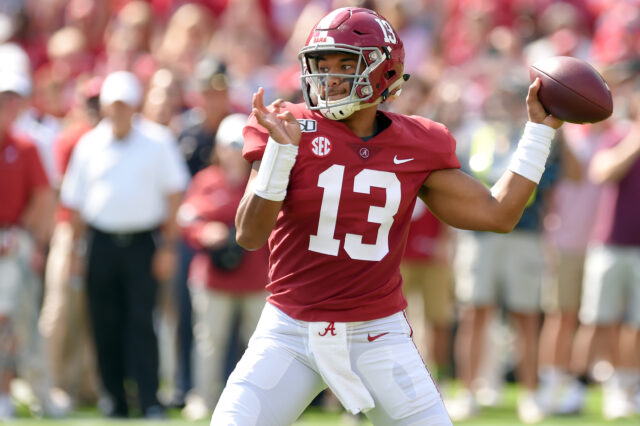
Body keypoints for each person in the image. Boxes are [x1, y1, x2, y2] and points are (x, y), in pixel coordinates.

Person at [212, 7, 562, 425]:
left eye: (345, 63)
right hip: (290, 330)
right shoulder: (290, 127)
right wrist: (278, 156)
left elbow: (500, 213)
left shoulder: (419, 141)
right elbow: (249, 235)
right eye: (321, 64)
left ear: (383, 71)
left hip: (377, 334)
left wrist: (540, 131)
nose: (330, 76)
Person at [59, 71, 190, 419]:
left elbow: (174, 195)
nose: (117, 111)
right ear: (103, 107)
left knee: (141, 321)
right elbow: (75, 204)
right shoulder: (88, 144)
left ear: (133, 106)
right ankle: (114, 398)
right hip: (100, 244)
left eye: (123, 105)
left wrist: (168, 247)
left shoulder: (157, 140)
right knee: (104, 322)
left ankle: (149, 397)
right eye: (112, 105)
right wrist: (74, 251)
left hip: (142, 244)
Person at [178, 113, 270, 421]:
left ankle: (261, 403)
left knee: (259, 347)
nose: (233, 152)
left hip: (256, 278)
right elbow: (187, 218)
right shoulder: (206, 181)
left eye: (238, 145)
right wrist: (203, 232)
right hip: (213, 279)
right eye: (227, 145)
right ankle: (203, 398)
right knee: (209, 343)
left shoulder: (260, 183)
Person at [0, 67, 65, 419]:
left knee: (14, 322)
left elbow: (42, 198)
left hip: (13, 244)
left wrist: (30, 239)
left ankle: (18, 391)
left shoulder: (24, 146)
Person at [577, 83, 640, 420]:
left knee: (636, 325)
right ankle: (607, 385)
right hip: (611, 244)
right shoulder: (619, 136)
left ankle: (629, 386)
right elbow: (602, 172)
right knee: (601, 320)